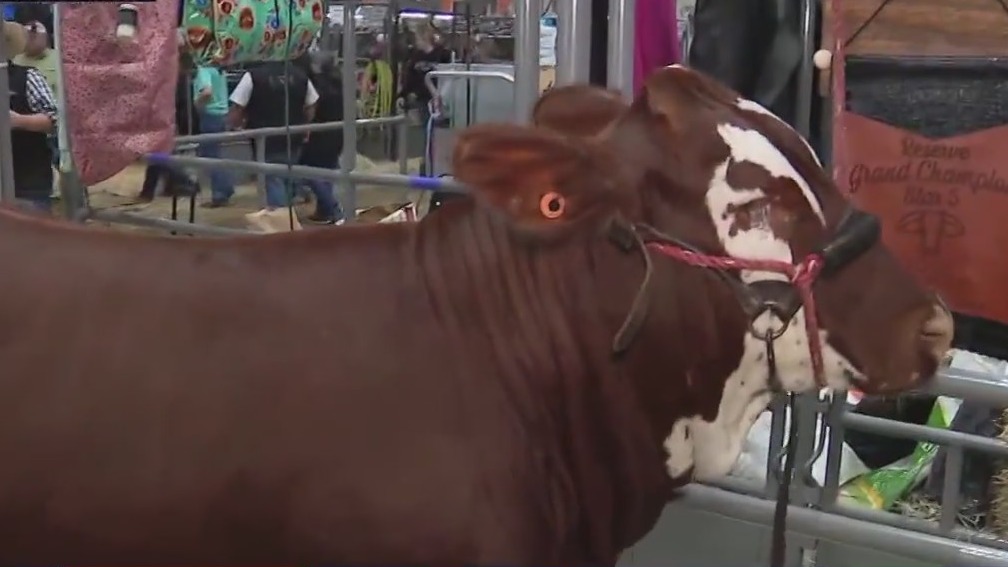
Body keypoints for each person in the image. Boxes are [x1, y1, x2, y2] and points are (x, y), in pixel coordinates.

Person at [229, 60, 319, 211]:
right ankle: (287, 215)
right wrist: (305, 124)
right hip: (293, 136)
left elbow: (238, 105)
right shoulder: (300, 75)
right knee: (288, 176)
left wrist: (235, 125)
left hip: (265, 138)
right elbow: (312, 103)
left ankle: (280, 220)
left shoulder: (253, 76)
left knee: (273, 179)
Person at [4, 20, 57, 214]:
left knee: (34, 241)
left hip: (28, 184)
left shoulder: (28, 76)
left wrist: (18, 120)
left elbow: (53, 120)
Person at [297, 54, 345, 225]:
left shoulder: (316, 86)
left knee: (308, 171)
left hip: (319, 132)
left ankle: (333, 208)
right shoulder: (339, 83)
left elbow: (310, 108)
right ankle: (324, 210)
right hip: (338, 131)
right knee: (327, 170)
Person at [192, 62, 235, 207]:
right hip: (222, 114)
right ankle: (224, 187)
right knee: (212, 154)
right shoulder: (219, 70)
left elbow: (207, 91)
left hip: (210, 115)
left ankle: (222, 191)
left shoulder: (204, 69)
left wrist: (197, 103)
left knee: (210, 156)